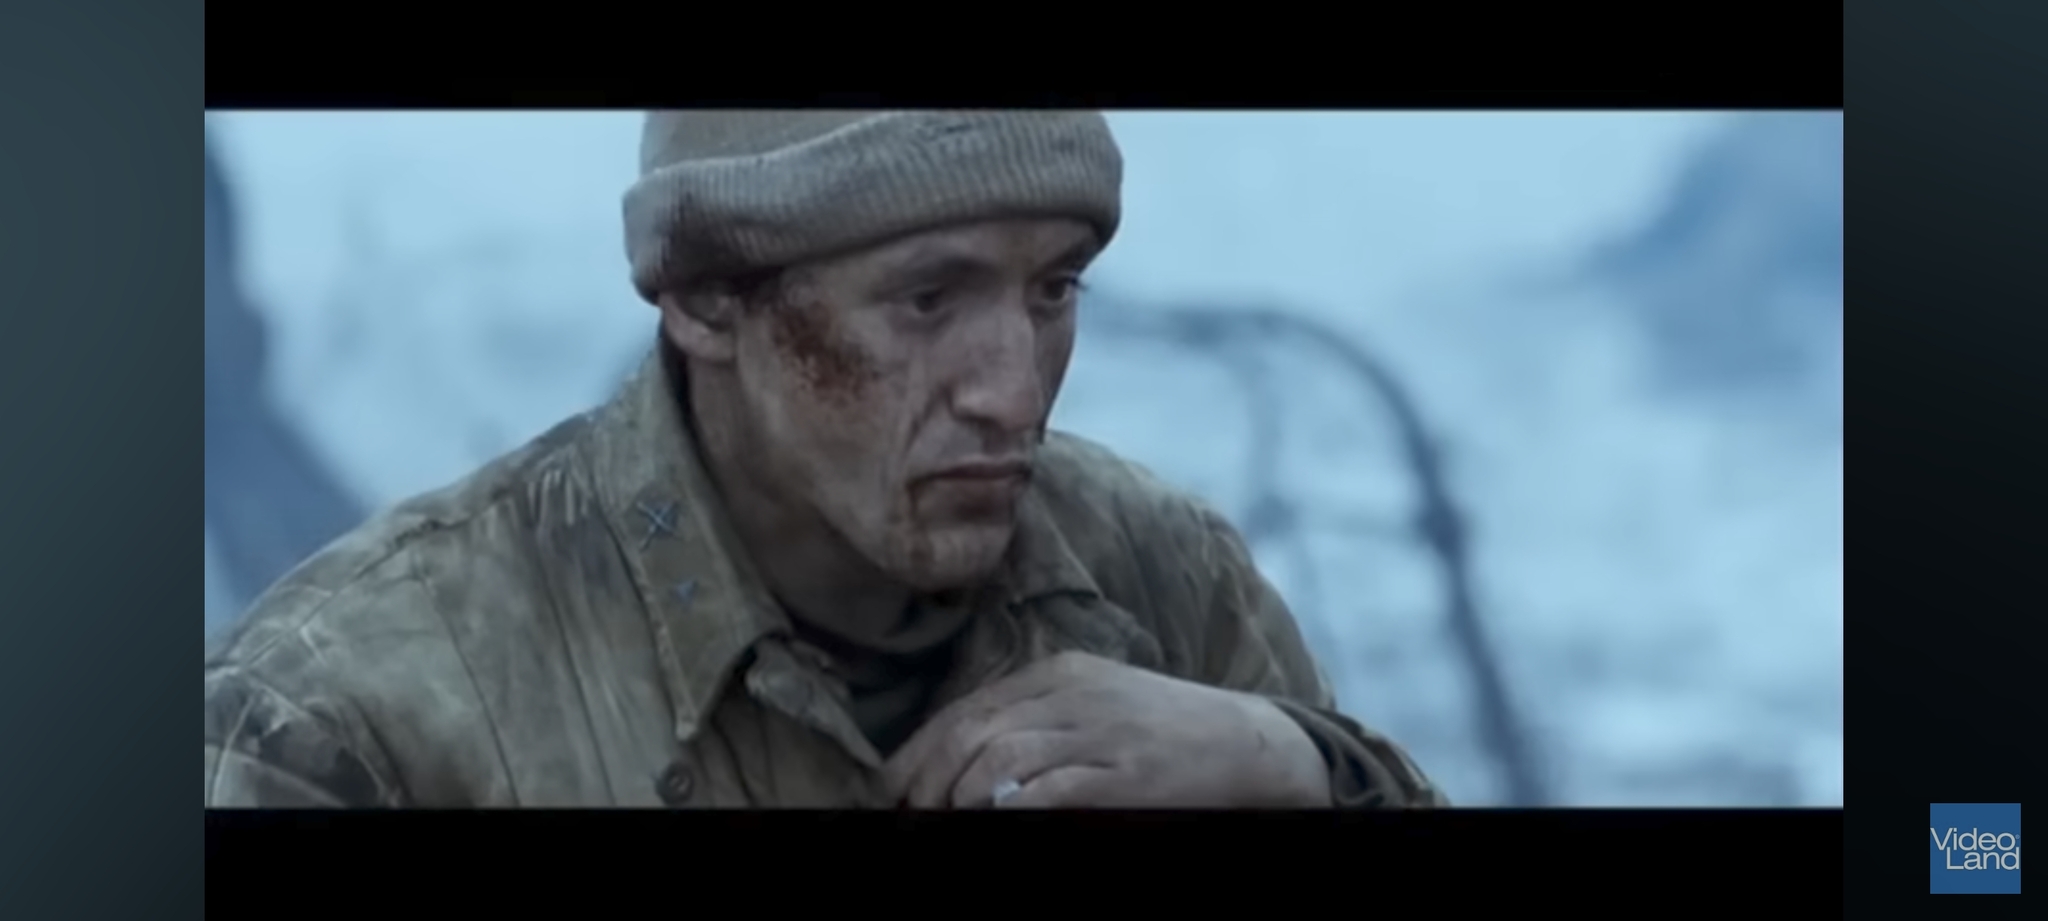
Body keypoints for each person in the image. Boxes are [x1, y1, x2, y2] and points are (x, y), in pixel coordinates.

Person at [202, 111, 1448, 808]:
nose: (1013, 392)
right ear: (706, 300)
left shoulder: (1160, 576)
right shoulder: (349, 712)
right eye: (925, 301)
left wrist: (1293, 769)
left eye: (1052, 290)